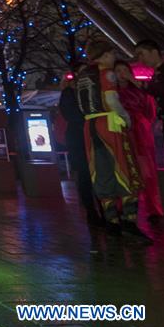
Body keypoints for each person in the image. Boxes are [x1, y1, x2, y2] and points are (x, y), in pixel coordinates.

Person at [75, 40, 151, 244]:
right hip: (109, 124)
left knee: (102, 173)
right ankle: (130, 224)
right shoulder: (106, 72)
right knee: (126, 169)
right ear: (106, 54)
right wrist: (125, 117)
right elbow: (111, 99)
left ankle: (112, 223)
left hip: (89, 127)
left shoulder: (82, 76)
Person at [114, 60, 163, 220]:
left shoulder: (139, 89)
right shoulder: (111, 92)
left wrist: (143, 123)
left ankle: (153, 208)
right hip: (121, 130)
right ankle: (124, 206)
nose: (121, 74)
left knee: (146, 169)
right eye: (118, 70)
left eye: (124, 70)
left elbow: (150, 111)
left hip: (139, 131)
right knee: (124, 167)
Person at [58, 71, 102, 225]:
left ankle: (99, 210)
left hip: (87, 137)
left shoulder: (82, 92)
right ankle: (92, 210)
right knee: (85, 175)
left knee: (92, 174)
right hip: (80, 139)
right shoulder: (69, 95)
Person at [134, 39, 164, 176]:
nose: (140, 59)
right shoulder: (158, 74)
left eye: (142, 54)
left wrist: (135, 81)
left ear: (154, 52)